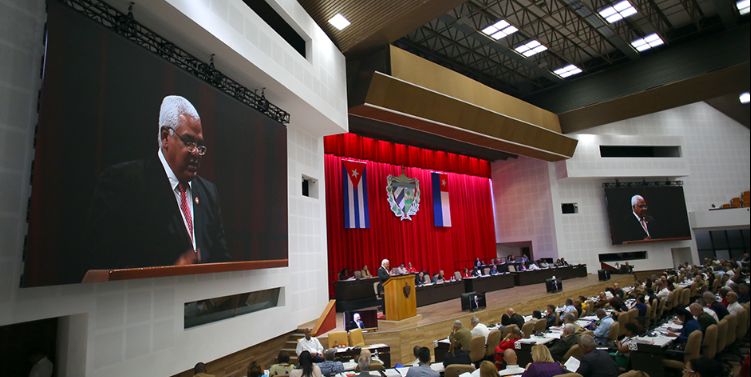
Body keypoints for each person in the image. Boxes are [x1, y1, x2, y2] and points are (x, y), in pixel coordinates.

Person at [85, 95, 230, 272]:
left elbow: (221, 257)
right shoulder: (124, 182)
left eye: (200, 145)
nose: (196, 153)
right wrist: (170, 270)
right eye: (189, 142)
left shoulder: (209, 192)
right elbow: (102, 260)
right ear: (165, 137)